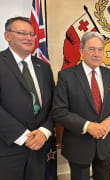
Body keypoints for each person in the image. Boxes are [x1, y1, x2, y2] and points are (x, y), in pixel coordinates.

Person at [52, 32, 110, 180]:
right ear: (81, 51)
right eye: (92, 49)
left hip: (104, 144)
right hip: (78, 144)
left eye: (100, 49)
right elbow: (59, 111)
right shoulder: (66, 76)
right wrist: (87, 126)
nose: (97, 54)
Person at [0, 16, 54, 180]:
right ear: (7, 36)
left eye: (32, 34)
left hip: (39, 149)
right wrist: (24, 137)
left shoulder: (43, 67)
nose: (29, 38)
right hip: (7, 150)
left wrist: (44, 132)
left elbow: (54, 105)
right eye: (22, 33)